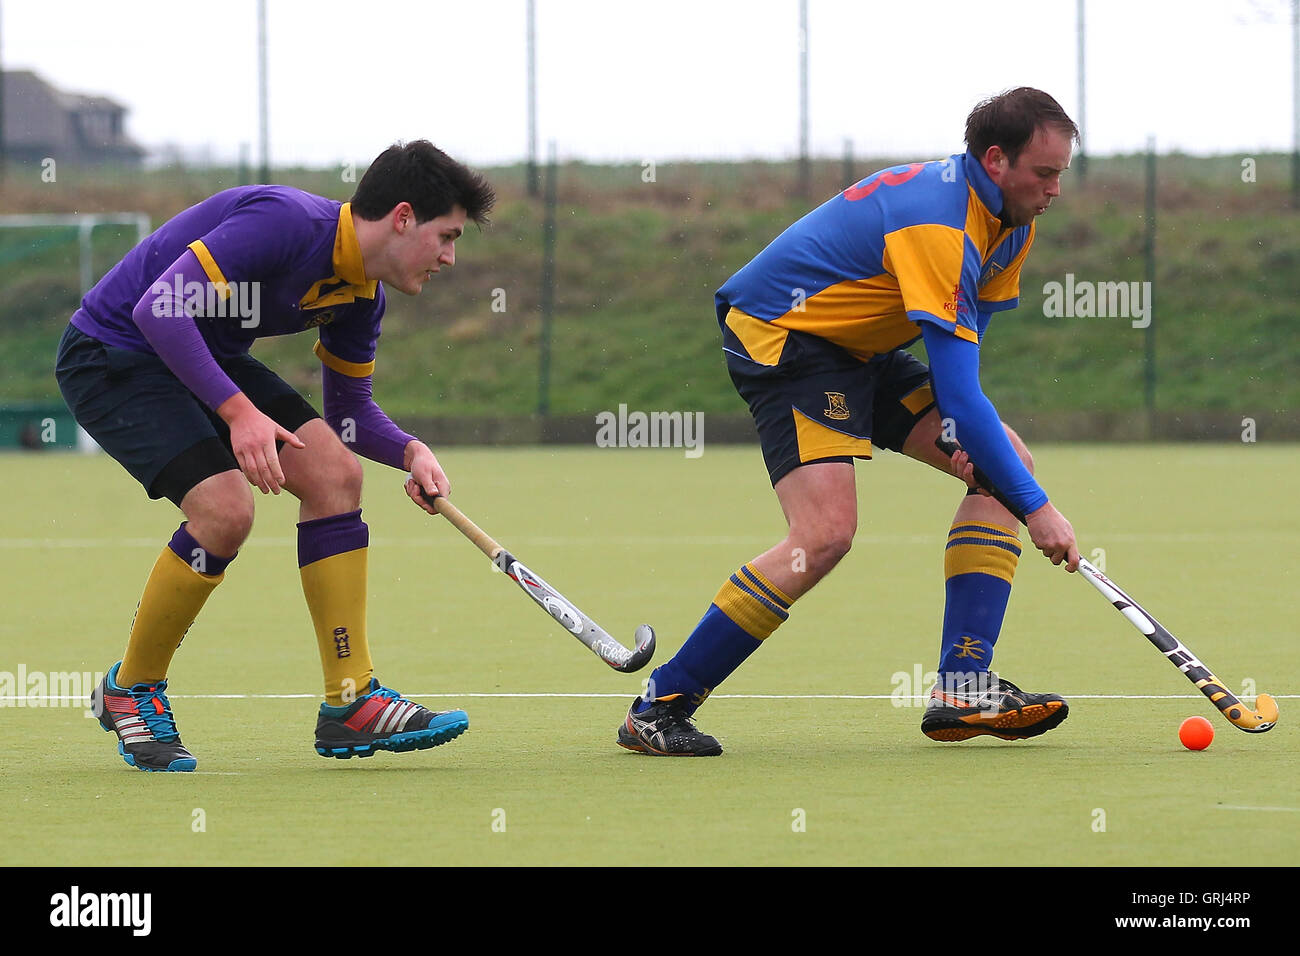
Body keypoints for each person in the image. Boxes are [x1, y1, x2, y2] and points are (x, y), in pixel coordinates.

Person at [617, 88, 1083, 756]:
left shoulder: (1011, 220)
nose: (1056, 189)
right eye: (1045, 173)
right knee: (825, 534)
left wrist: (967, 438)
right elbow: (956, 386)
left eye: (1062, 173)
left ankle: (963, 684)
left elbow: (962, 361)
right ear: (996, 159)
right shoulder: (939, 225)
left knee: (1005, 464)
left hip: (863, 346)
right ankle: (661, 704)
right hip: (787, 337)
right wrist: (1039, 511)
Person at [56, 140, 495, 771]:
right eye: (447, 236)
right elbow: (160, 307)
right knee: (225, 511)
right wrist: (239, 414)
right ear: (403, 217)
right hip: (115, 351)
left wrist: (409, 450)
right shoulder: (287, 223)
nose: (451, 257)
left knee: (335, 474)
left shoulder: (361, 295)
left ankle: (351, 702)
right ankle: (132, 689)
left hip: (206, 353)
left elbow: (347, 417)